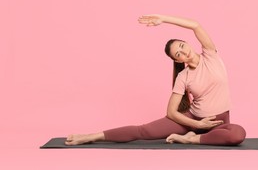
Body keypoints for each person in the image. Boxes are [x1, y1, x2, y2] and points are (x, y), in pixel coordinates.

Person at [65, 15, 246, 146]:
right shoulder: (183, 77)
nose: (184, 52)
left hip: (218, 123)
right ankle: (90, 137)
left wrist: (163, 19)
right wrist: (197, 124)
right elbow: (171, 112)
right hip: (193, 120)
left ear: (187, 43)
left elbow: (195, 25)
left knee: (237, 135)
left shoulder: (210, 56)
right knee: (143, 131)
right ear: (177, 60)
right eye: (178, 54)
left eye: (182, 46)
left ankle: (192, 139)